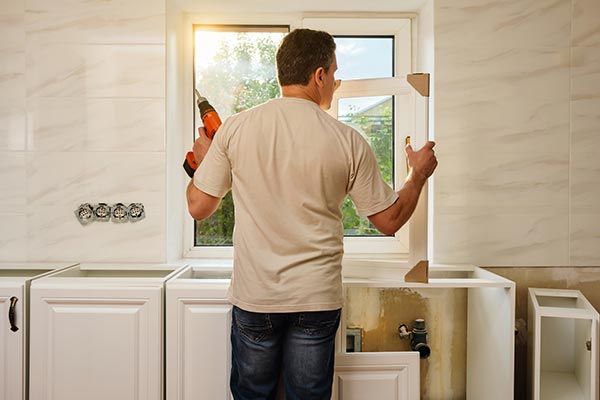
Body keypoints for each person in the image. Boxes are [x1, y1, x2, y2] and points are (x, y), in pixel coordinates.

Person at [186, 28, 437, 400]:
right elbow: (390, 220)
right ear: (319, 75)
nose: (335, 83)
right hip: (315, 299)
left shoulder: (235, 129)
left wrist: (203, 163)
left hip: (256, 297)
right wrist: (418, 175)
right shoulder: (346, 139)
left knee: (252, 395)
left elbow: (198, 207)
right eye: (334, 73)